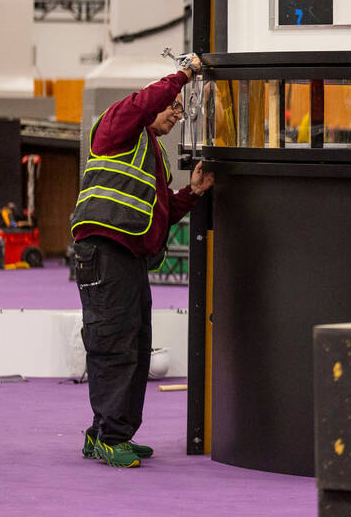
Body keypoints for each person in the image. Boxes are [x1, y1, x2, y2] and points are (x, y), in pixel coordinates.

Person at [69, 54, 214, 468]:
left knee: (133, 344)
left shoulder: (154, 157)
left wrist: (194, 192)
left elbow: (164, 210)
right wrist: (183, 75)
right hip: (105, 251)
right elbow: (142, 104)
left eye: (180, 110)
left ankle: (106, 434)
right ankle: (111, 436)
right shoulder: (117, 126)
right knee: (113, 342)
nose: (175, 114)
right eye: (172, 107)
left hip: (128, 257)